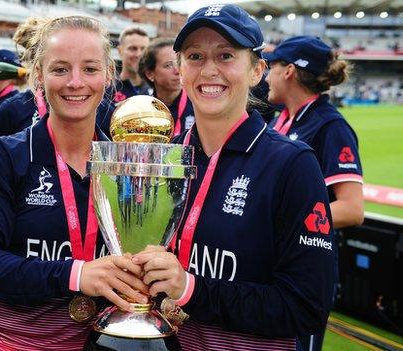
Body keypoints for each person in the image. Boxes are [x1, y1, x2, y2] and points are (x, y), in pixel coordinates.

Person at [131, 5, 336, 350]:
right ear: (180, 70)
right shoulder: (166, 159)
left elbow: (307, 307)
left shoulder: (291, 163)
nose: (209, 70)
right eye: (195, 56)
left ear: (256, 70)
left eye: (226, 55)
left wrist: (191, 290)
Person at [0, 15, 148, 350]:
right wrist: (76, 274)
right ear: (38, 77)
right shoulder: (3, 154)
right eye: (60, 69)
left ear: (107, 76)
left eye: (90, 69)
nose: (76, 82)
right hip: (8, 343)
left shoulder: (129, 165)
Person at [264, 35, 364, 351]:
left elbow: (351, 209)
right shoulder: (281, 118)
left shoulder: (330, 126)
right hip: (271, 264)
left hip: (303, 269)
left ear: (289, 71)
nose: (267, 75)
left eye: (272, 66)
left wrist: (278, 222)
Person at [138, 38, 195, 136]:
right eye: (168, 65)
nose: (177, 71)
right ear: (150, 74)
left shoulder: (197, 103)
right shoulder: (141, 110)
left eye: (179, 63)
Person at [111, 26, 151, 105]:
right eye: (133, 48)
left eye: (143, 49)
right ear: (120, 51)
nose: (139, 54)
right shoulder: (108, 90)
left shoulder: (157, 89)